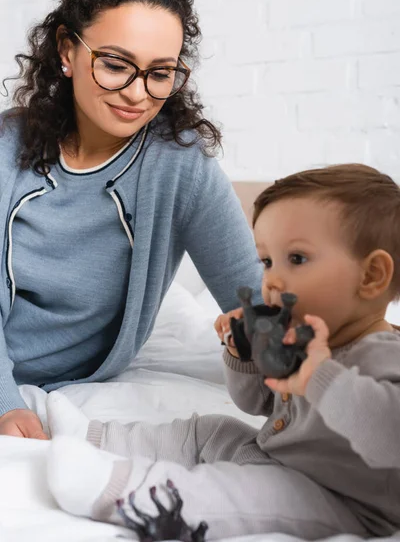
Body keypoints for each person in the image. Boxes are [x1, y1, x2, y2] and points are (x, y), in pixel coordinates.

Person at [46, 163, 400, 540]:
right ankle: (94, 436)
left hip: (343, 501)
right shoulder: (301, 339)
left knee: (246, 493)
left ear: (371, 275)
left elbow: (388, 436)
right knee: (211, 430)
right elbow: (257, 403)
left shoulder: (383, 356)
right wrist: (242, 353)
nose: (272, 280)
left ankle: (122, 492)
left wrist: (320, 378)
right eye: (267, 261)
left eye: (296, 259)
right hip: (275, 459)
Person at [0, 0, 263, 439]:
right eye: (117, 65)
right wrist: (5, 403)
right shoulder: (4, 149)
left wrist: (351, 361)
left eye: (160, 73)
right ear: (66, 51)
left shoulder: (180, 167)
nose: (138, 93)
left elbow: (253, 297)